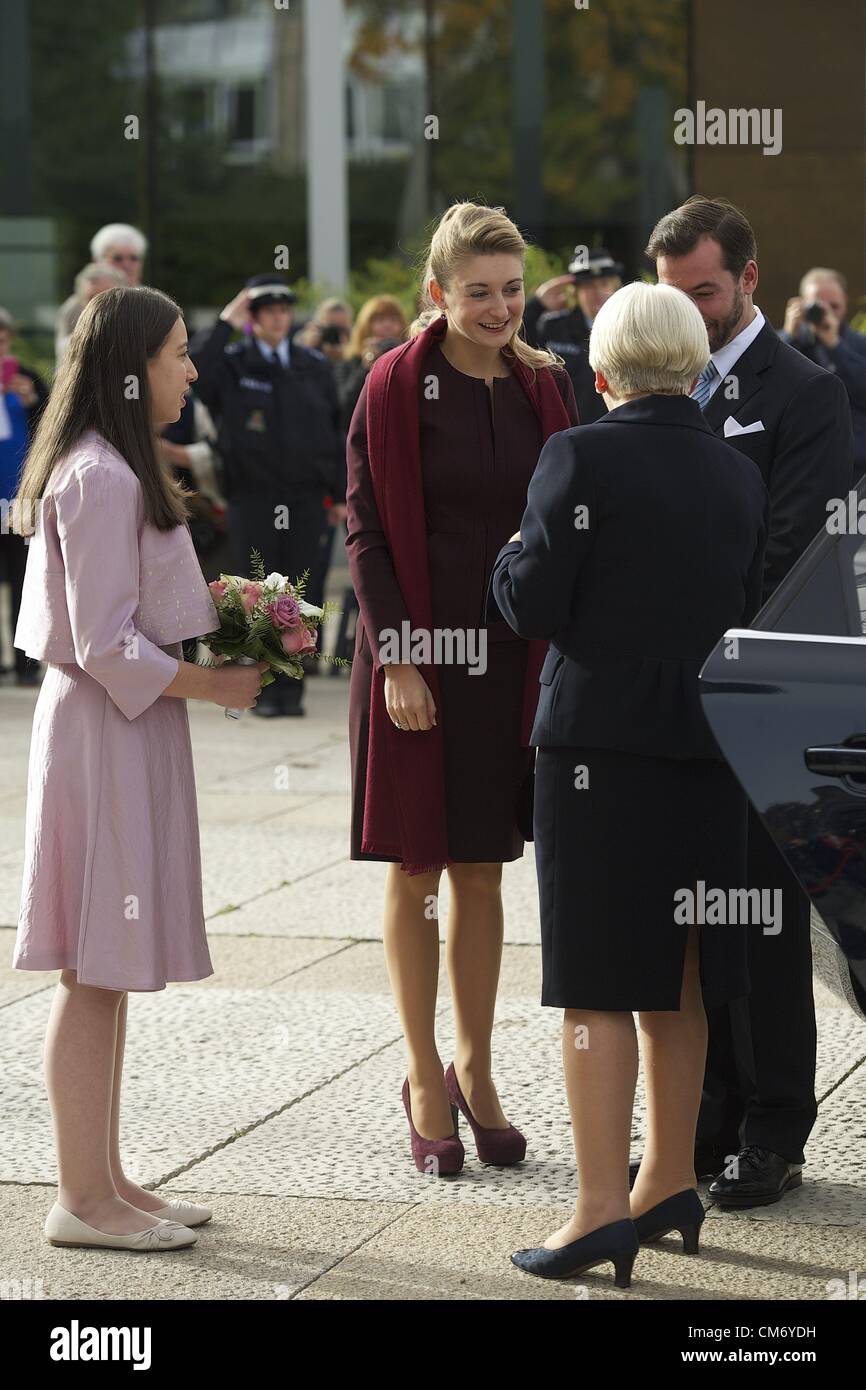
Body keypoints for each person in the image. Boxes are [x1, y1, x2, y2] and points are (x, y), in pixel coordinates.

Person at [490, 280, 768, 1285]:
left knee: (596, 981)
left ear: (599, 371)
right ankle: (668, 1178)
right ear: (693, 365)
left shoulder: (578, 452)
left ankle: (599, 1208)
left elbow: (531, 602)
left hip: (600, 751)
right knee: (683, 972)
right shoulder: (734, 471)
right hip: (706, 749)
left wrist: (508, 554)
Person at [11, 284, 267, 1252]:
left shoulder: (107, 466)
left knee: (103, 970)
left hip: (119, 729)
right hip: (106, 732)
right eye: (177, 353)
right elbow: (106, 644)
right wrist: (214, 684)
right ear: (132, 368)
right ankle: (82, 1196)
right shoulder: (101, 476)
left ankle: (104, 1176)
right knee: (92, 970)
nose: (191, 369)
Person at [345, 201, 578, 1178]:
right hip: (414, 662)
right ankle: (417, 1072)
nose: (497, 307)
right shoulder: (394, 382)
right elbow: (362, 529)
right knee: (416, 868)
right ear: (438, 291)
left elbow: (571, 519)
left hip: (508, 661)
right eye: (477, 291)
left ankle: (474, 1070)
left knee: (482, 865)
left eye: (511, 289)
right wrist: (398, 656)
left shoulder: (544, 386)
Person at [647, 195, 855, 1208]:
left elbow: (790, 547)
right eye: (671, 293)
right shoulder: (657, 379)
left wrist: (689, 632)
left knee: (765, 924)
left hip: (762, 697)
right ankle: (706, 1114)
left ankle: (773, 1126)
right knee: (694, 918)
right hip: (668, 705)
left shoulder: (805, 390)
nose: (688, 309)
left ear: (748, 279)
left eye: (704, 291)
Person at [189, 273, 343, 716]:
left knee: (298, 595)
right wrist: (226, 322)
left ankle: (291, 690)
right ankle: (260, 692)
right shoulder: (234, 362)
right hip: (253, 498)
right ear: (253, 318)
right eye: (267, 312)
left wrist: (338, 495)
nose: (279, 319)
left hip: (306, 500)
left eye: (283, 311)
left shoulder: (311, 364)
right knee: (258, 594)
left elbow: (333, 434)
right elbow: (198, 374)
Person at [0, 307, 49, 684]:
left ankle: (24, 664)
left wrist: (31, 400)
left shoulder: (26, 377)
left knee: (25, 578)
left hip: (19, 497)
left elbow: (51, 427)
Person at [780, 267, 866, 476]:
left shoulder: (860, 345)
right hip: (801, 461)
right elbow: (764, 378)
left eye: (834, 306)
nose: (825, 313)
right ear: (800, 304)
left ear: (845, 302)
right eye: (817, 307)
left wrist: (835, 345)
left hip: (854, 464)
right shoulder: (785, 344)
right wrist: (788, 336)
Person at [530, 247, 623, 424]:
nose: (597, 292)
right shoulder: (551, 327)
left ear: (614, 286)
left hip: (614, 432)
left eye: (603, 283)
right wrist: (537, 304)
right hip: (565, 432)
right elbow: (516, 345)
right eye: (588, 285)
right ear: (575, 290)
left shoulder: (629, 328)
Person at [336, 295, 409, 436]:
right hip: (366, 437)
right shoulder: (350, 363)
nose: (387, 325)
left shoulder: (410, 360)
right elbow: (344, 407)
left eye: (393, 320)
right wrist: (366, 366)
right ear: (365, 327)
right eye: (380, 320)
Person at [55, 262, 128, 363]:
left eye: (108, 297)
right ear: (81, 303)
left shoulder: (137, 331)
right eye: (92, 298)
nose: (100, 305)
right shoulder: (69, 315)